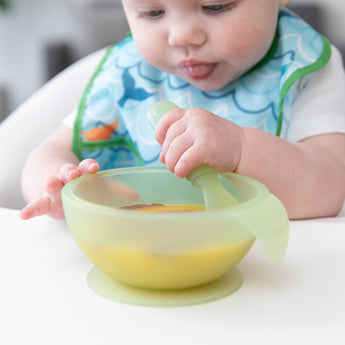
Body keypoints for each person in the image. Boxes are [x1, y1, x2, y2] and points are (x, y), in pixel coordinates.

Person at [20, 0, 345, 221]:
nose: (181, 36)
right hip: (140, 259)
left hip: (266, 270)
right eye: (152, 12)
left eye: (215, 5)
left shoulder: (302, 67)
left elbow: (332, 184)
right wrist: (59, 188)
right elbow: (49, 151)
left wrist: (241, 149)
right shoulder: (127, 75)